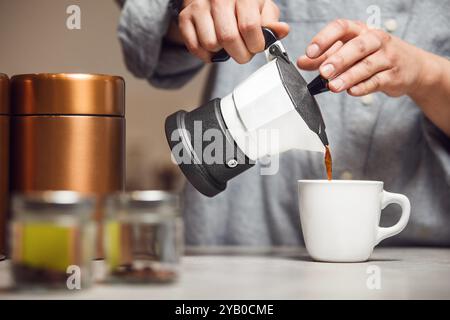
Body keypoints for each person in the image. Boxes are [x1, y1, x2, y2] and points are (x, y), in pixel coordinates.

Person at [117, 0, 450, 246]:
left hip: (418, 262)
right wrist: (190, 9)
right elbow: (149, 25)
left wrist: (428, 75)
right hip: (234, 250)